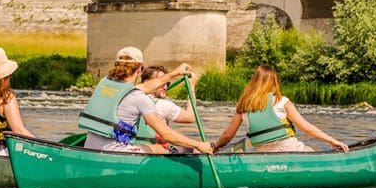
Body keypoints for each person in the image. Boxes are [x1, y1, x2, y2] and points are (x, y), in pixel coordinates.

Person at [78, 46, 213, 155]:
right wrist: (198, 145)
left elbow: (144, 87)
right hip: (116, 152)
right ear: (139, 70)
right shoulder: (139, 98)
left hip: (90, 147)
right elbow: (166, 134)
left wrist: (174, 74)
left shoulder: (104, 83)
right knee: (161, 149)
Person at [212, 65, 348, 153]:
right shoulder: (281, 101)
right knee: (315, 153)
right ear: (273, 82)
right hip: (291, 150)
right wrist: (332, 140)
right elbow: (307, 128)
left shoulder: (243, 106)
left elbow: (227, 135)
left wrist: (214, 146)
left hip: (264, 155)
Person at [136, 64, 198, 151]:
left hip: (135, 145)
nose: (165, 87)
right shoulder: (163, 105)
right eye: (162, 82)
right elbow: (191, 117)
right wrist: (192, 86)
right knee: (195, 149)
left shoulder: (132, 97)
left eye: (167, 83)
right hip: (155, 150)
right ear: (147, 82)